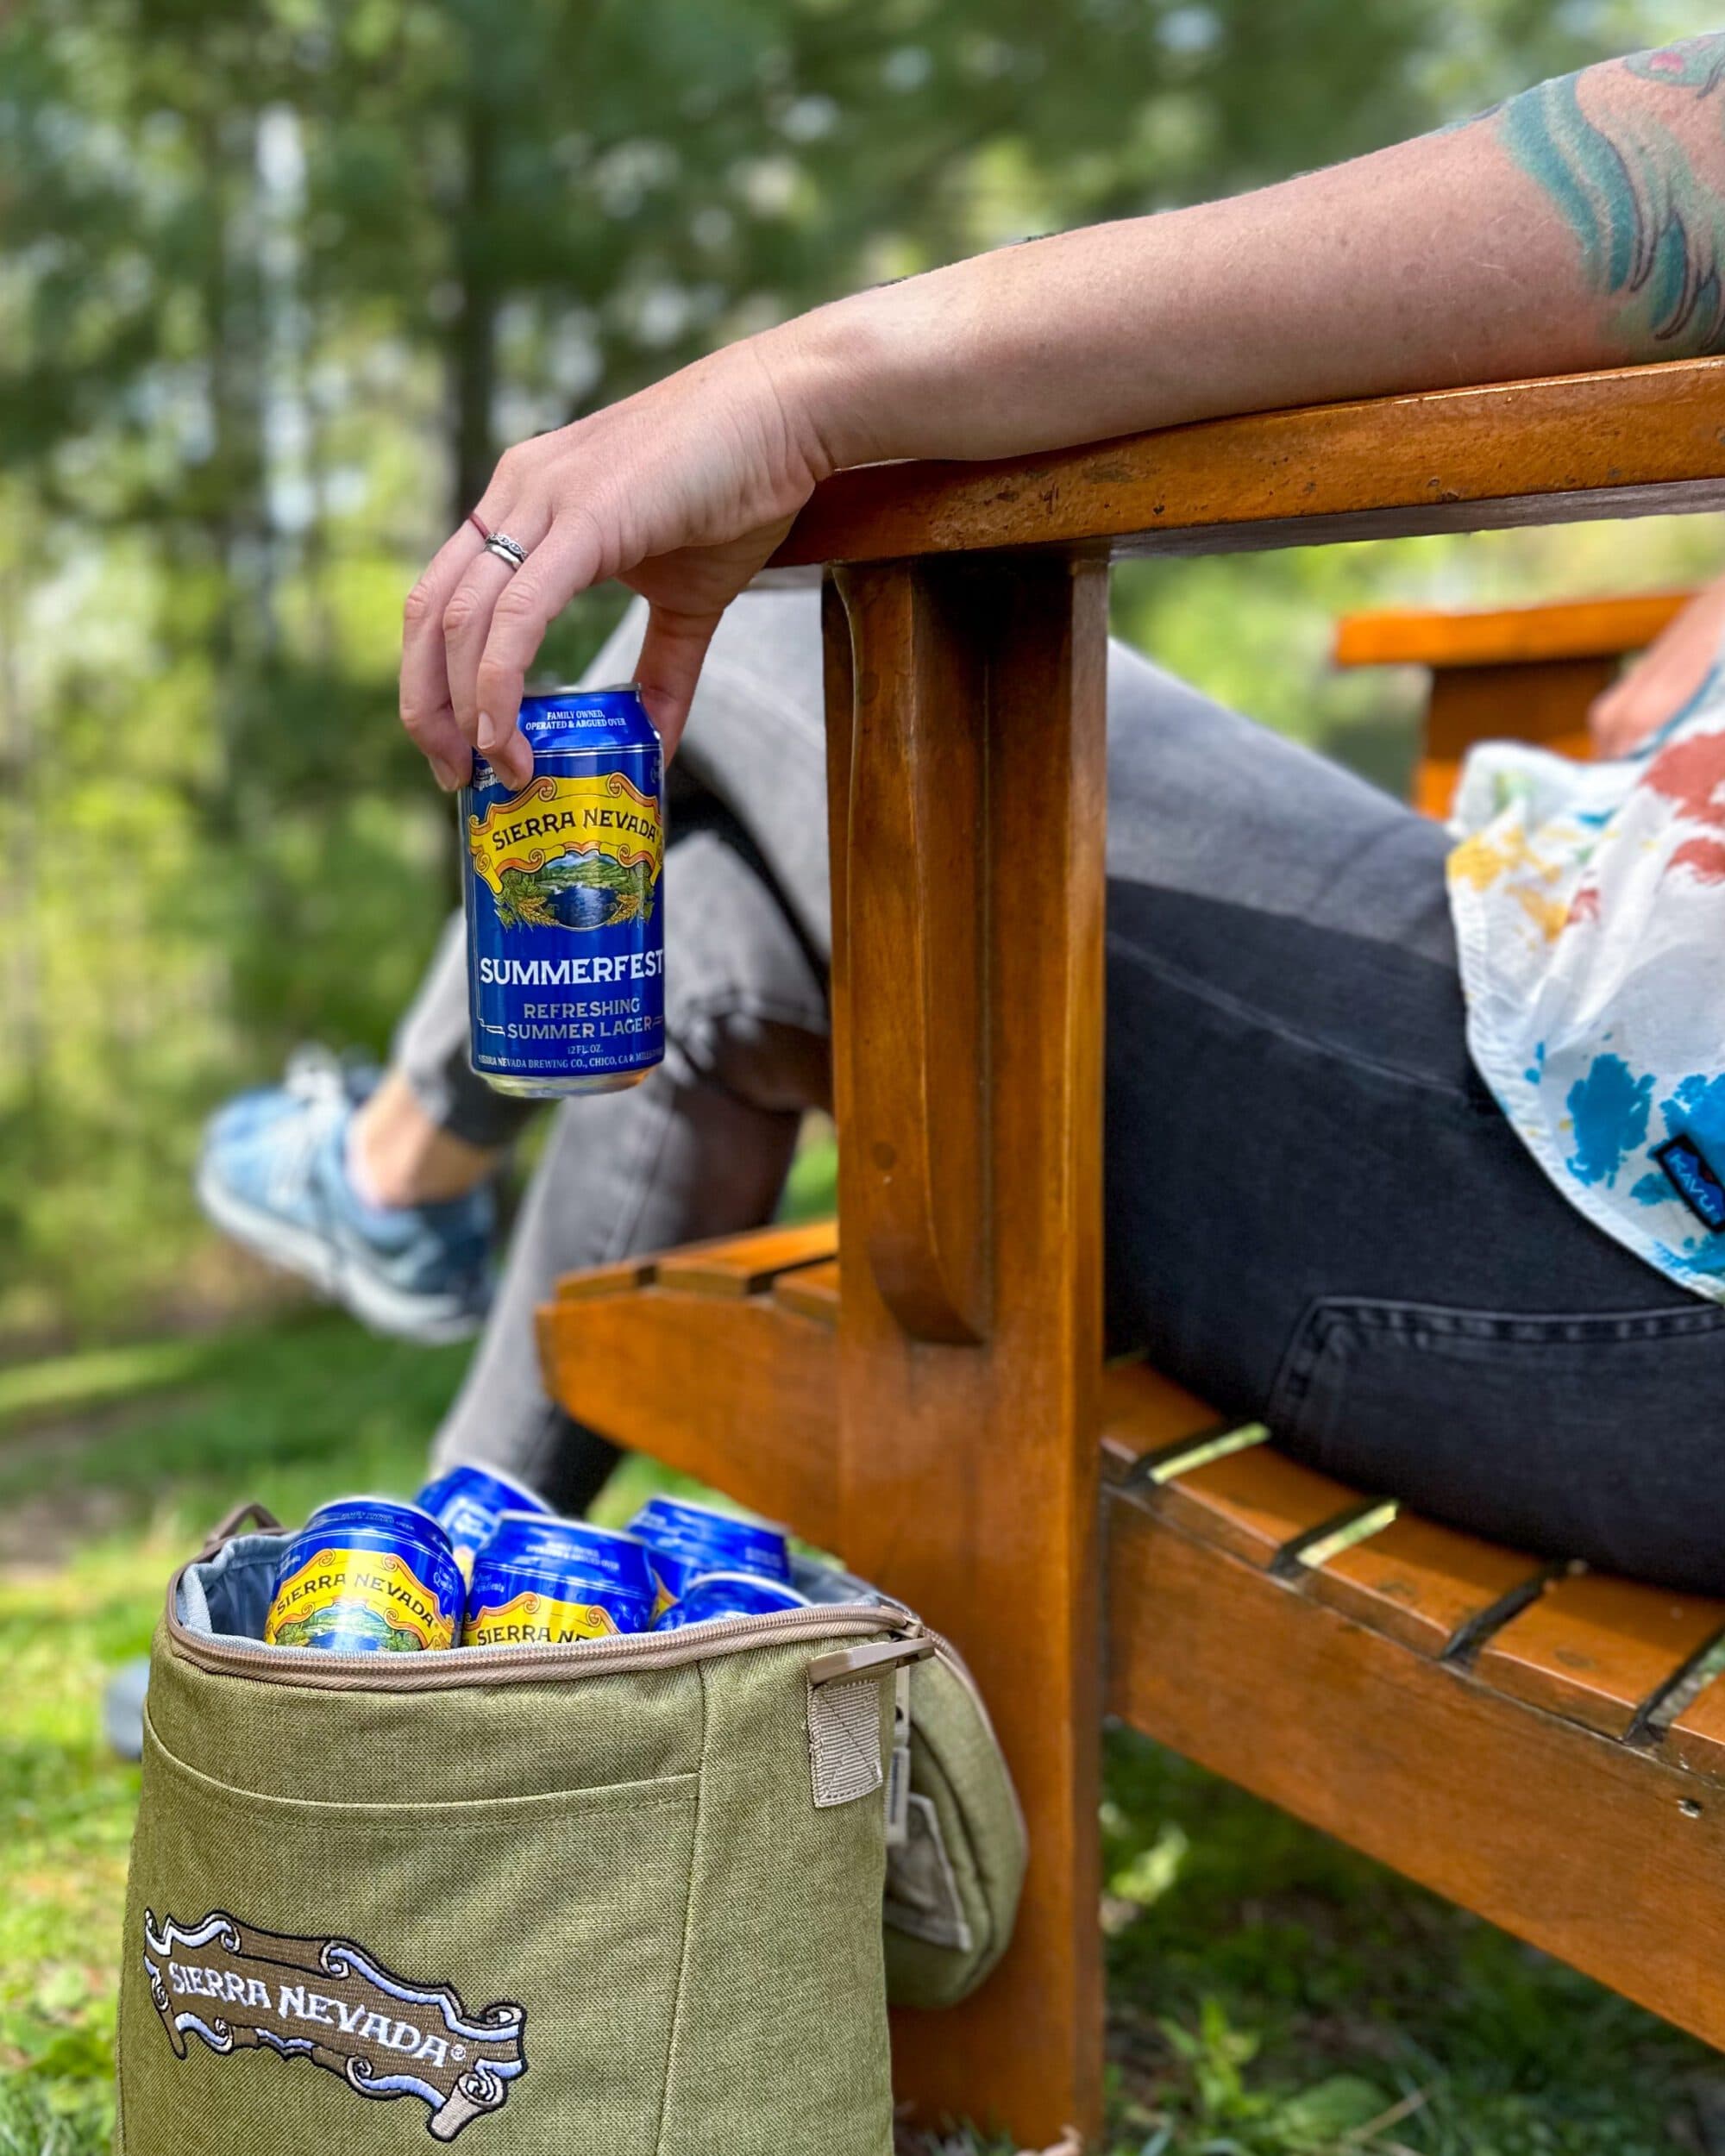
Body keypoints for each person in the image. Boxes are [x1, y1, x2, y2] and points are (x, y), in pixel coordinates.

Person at [203, 35, 1725, 1596]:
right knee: (712, 929)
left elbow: (1666, 169)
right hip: (1604, 1009)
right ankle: (397, 1612)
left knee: (791, 631)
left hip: (1634, 1268)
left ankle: (399, 1167)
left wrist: (795, 383)